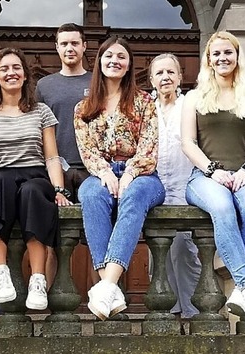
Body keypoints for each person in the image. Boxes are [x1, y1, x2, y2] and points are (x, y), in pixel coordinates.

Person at [0, 48, 70, 313]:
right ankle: (0, 272)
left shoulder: (41, 111)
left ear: (24, 75)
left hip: (35, 173)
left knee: (34, 193)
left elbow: (52, 157)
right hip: (2, 173)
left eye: (16, 68)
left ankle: (37, 279)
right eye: (4, 69)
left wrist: (59, 189)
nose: (11, 73)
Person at [180, 31, 245, 331]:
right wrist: (213, 171)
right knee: (222, 208)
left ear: (237, 56)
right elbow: (188, 143)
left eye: (228, 53)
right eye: (216, 53)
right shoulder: (194, 97)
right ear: (209, 59)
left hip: (244, 174)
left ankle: (244, 291)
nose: (222, 58)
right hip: (204, 177)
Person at [74, 36, 165, 321]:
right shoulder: (84, 107)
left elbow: (150, 146)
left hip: (143, 174)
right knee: (90, 195)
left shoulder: (144, 101)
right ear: (99, 62)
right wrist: (103, 172)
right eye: (109, 56)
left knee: (134, 195)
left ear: (128, 65)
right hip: (99, 172)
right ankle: (109, 289)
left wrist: (129, 174)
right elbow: (87, 151)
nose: (115, 60)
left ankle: (106, 286)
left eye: (121, 57)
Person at [35, 23, 93, 288]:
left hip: (93, 170)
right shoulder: (44, 86)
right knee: (51, 242)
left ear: (84, 46)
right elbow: (36, 128)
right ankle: (43, 303)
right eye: (64, 44)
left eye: (74, 43)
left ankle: (102, 303)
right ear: (56, 48)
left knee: (97, 241)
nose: (70, 48)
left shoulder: (97, 82)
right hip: (54, 171)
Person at [149, 53, 201, 319]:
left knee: (184, 251)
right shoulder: (146, 107)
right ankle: (167, 315)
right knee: (159, 253)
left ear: (180, 77)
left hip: (184, 187)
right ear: (151, 79)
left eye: (171, 72)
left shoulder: (190, 105)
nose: (165, 77)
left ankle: (191, 314)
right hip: (155, 189)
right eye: (159, 73)